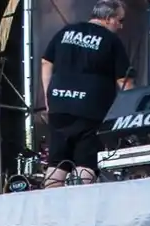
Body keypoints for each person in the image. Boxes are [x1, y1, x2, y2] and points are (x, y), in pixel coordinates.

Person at [40, 0, 134, 187]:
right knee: (86, 162)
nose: (121, 26)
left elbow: (46, 62)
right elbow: (125, 81)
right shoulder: (111, 41)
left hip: (59, 106)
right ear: (108, 18)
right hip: (91, 109)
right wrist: (130, 113)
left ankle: (50, 202)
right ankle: (80, 203)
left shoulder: (65, 32)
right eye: (120, 20)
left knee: (56, 163)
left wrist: (49, 98)